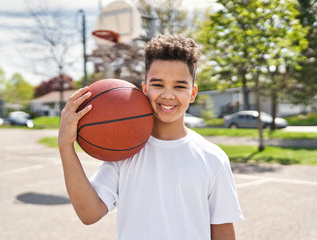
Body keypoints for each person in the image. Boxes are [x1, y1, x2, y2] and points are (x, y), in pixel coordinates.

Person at [58, 34, 244, 240]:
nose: (168, 94)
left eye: (179, 86)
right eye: (158, 84)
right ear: (144, 89)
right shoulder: (125, 152)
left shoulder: (212, 158)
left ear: (193, 93)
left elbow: (224, 231)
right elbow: (89, 214)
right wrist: (66, 146)